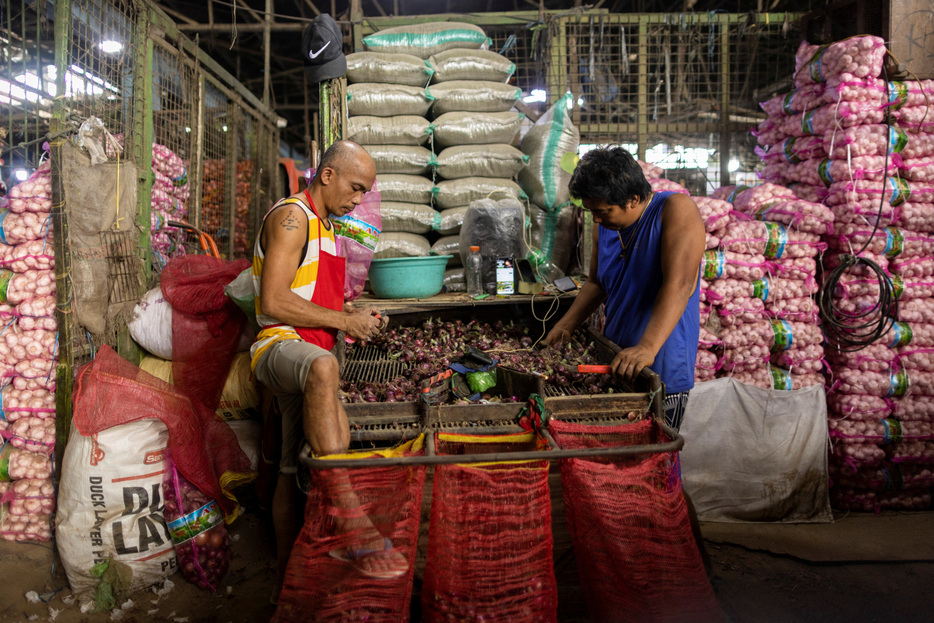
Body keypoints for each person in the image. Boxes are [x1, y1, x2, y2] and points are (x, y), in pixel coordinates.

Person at [250, 140, 406, 603]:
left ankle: (285, 584)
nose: (359, 200)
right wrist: (344, 321)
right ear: (328, 175)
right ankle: (351, 521)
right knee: (322, 369)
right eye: (356, 188)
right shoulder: (292, 218)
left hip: (308, 347)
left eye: (365, 192)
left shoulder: (324, 225)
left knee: (287, 468)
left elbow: (308, 293)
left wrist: (348, 310)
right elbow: (273, 302)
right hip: (278, 347)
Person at [544, 145, 704, 429]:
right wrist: (566, 324)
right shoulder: (605, 225)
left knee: (653, 462)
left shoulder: (675, 209)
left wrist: (646, 347)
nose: (596, 219)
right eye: (591, 211)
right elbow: (596, 283)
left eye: (603, 211)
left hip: (659, 366)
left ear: (632, 199)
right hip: (616, 360)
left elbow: (680, 284)